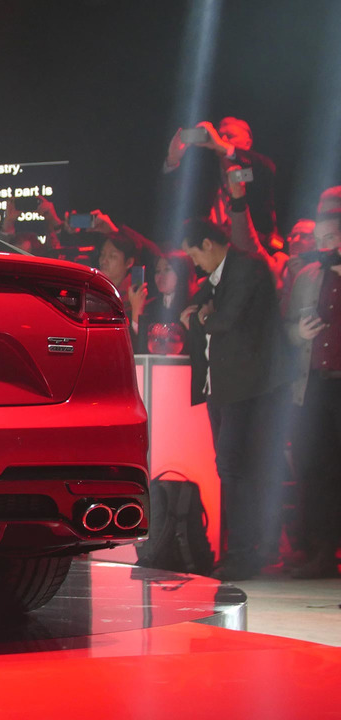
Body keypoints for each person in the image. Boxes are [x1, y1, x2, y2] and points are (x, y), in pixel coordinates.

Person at [180, 218, 292, 580]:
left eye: (195, 255)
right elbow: (195, 311)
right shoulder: (216, 279)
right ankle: (247, 549)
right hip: (223, 386)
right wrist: (200, 314)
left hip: (248, 387)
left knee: (236, 465)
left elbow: (225, 319)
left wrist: (201, 320)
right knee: (232, 467)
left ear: (208, 244)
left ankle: (247, 551)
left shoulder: (245, 267)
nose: (195, 264)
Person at [283, 186, 341, 578]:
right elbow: (286, 326)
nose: (323, 246)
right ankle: (320, 549)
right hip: (315, 384)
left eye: (330, 237)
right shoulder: (306, 276)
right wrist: (298, 333)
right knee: (315, 467)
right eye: (319, 239)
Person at [164, 117, 278, 245]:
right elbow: (171, 194)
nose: (223, 139)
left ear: (247, 143)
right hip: (209, 245)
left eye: (230, 136)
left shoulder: (255, 170)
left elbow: (264, 171)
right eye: (219, 136)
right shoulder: (208, 172)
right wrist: (173, 159)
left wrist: (223, 147)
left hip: (250, 246)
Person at [135, 252, 196, 354]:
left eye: (167, 270)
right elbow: (140, 344)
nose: (160, 276)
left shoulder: (192, 304)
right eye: (158, 271)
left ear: (181, 273)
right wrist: (137, 309)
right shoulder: (150, 306)